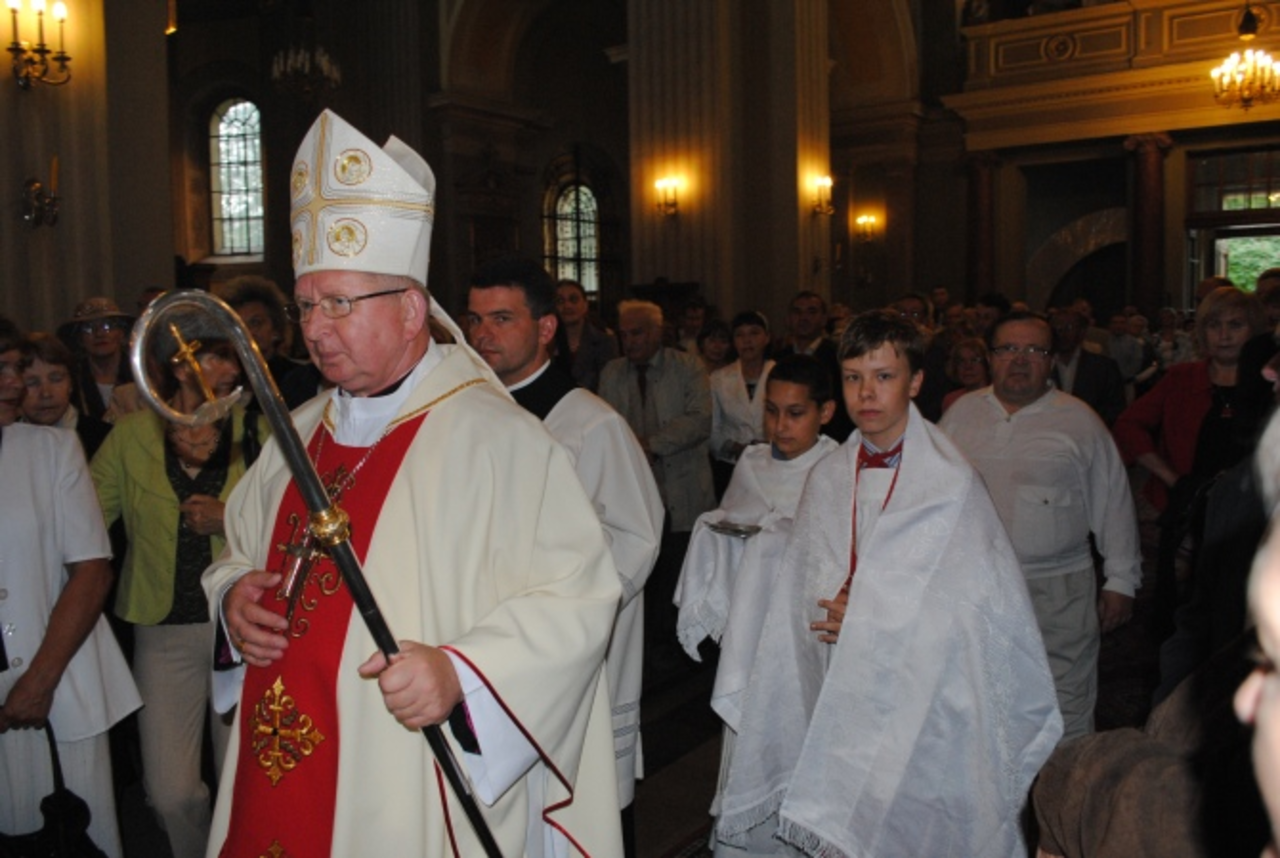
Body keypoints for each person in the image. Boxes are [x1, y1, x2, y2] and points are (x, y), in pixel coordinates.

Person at [206, 109, 623, 858]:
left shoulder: (501, 443)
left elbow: (578, 597)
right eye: (307, 304)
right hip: (278, 754)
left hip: (399, 766)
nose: (315, 329)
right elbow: (238, 546)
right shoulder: (297, 434)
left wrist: (462, 674)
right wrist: (234, 595)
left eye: (340, 303)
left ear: (408, 311)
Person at [717, 310, 1062, 857]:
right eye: (853, 377)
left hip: (921, 692)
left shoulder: (949, 484)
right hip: (836, 677)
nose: (866, 393)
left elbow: (975, 617)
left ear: (916, 382)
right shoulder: (829, 476)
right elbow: (804, 586)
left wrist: (871, 616)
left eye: (884, 376)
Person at [465, 256, 663, 857]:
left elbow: (637, 537)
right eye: (475, 320)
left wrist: (563, 615)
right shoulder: (463, 417)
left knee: (578, 812)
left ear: (546, 327)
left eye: (502, 318)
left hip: (569, 656)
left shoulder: (589, 424)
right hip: (484, 648)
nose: (483, 334)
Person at [91, 313, 257, 858]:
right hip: (161, 632)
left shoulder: (260, 432)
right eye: (218, 357)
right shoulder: (131, 436)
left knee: (244, 781)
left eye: (235, 357)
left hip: (241, 629)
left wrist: (229, 518)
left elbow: (296, 521)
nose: (233, 370)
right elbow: (85, 522)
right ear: (181, 367)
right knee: (169, 793)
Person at [941, 310, 1143, 740]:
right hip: (977, 585)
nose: (1020, 360)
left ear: (1051, 360)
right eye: (1008, 349)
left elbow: (1113, 501)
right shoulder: (961, 414)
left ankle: (1063, 781)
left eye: (1034, 350)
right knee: (981, 696)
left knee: (1063, 701)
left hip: (1058, 590)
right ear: (990, 358)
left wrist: (1121, 580)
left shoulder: (1079, 420)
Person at [674, 355, 838, 854]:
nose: (780, 425)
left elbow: (838, 555)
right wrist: (714, 531)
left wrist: (778, 538)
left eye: (795, 413)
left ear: (826, 412)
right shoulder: (751, 462)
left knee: (803, 739)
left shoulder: (837, 469)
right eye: (771, 411)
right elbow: (735, 521)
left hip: (808, 637)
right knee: (749, 733)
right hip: (753, 631)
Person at [0, 317, 142, 858]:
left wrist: (38, 681)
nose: (15, 383)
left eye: (17, 368)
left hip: (57, 680)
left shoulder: (51, 450)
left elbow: (92, 570)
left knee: (77, 836)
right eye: (3, 370)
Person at [1114, 287, 1268, 637]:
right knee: (1183, 613)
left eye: (1235, 325)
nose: (1224, 335)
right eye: (1214, 325)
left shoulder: (1268, 384)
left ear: (1254, 330)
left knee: (1243, 615)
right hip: (1189, 508)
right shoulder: (1182, 378)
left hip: (1251, 516)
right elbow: (1128, 425)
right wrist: (1171, 478)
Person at [600, 299, 715, 669]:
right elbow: (604, 424)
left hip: (681, 485)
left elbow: (699, 420)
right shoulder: (612, 372)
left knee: (677, 572)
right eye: (624, 334)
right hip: (633, 491)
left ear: (656, 333)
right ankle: (644, 652)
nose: (629, 341)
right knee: (641, 574)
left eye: (636, 333)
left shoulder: (688, 366)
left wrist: (648, 444)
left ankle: (679, 653)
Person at [709, 311, 774, 497]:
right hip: (731, 467)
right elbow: (712, 429)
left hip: (774, 465)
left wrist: (768, 445)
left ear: (767, 337)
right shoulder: (718, 378)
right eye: (740, 335)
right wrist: (736, 448)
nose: (747, 341)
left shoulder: (781, 373)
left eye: (754, 333)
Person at [18, 332, 113, 458]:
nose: (46, 393)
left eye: (56, 379)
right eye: (32, 383)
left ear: (71, 384)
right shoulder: (6, 440)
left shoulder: (106, 439)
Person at [774, 291, 852, 441]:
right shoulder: (778, 359)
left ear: (824, 319)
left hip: (831, 441)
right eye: (797, 312)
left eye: (811, 312)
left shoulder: (839, 357)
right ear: (789, 319)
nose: (803, 318)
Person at [57, 297, 134, 422]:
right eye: (88, 328)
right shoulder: (71, 378)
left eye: (107, 326)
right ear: (80, 338)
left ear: (122, 333)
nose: (99, 334)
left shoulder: (141, 375)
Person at [1049, 306, 1127, 425]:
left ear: (1082, 332)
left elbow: (1114, 409)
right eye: (1057, 328)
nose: (1061, 333)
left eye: (1068, 328)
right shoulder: (1040, 366)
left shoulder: (1104, 368)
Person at [554, 278, 618, 392]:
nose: (567, 306)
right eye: (560, 301)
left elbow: (610, 385)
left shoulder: (604, 342)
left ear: (585, 305)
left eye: (573, 299)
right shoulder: (546, 343)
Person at [940, 335, 990, 414]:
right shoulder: (951, 400)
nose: (968, 367)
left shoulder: (999, 399)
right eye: (961, 361)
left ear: (987, 364)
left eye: (974, 360)